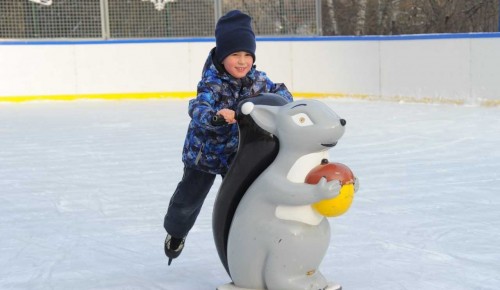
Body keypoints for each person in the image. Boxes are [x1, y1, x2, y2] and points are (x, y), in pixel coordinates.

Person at [163, 10, 293, 265]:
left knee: (242, 200)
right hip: (204, 155)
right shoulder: (212, 83)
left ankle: (246, 245)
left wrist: (286, 106)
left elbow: (281, 92)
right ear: (223, 56)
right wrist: (215, 117)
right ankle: (176, 232)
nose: (242, 61)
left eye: (247, 55)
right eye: (235, 54)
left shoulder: (257, 80)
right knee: (188, 200)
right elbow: (197, 107)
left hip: (236, 154)